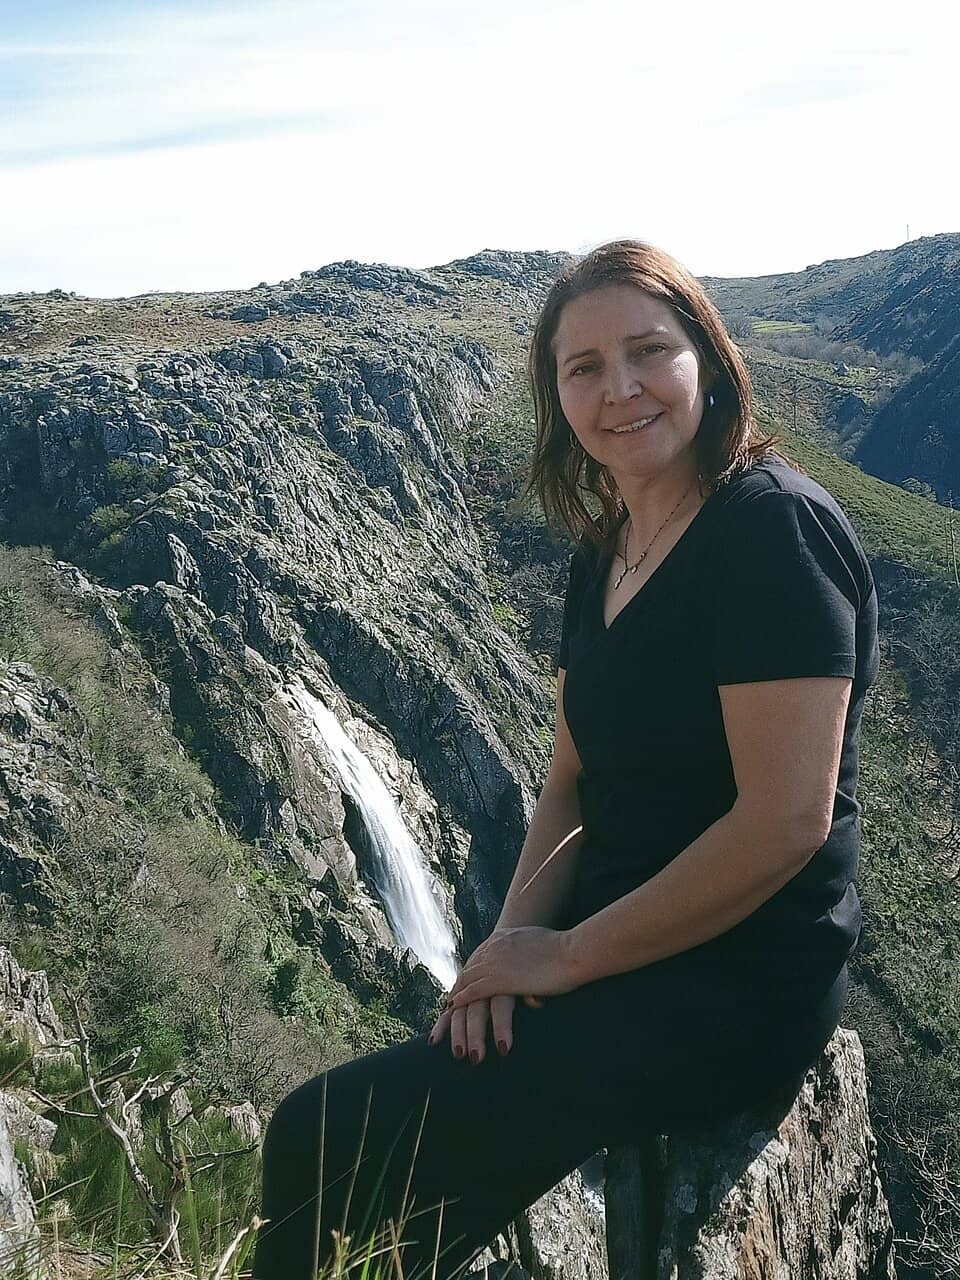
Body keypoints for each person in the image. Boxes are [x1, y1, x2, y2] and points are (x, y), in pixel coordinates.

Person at [253, 241, 879, 1280]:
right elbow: (571, 784)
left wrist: (570, 957)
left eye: (648, 350)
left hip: (736, 976)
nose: (618, 388)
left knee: (325, 1132)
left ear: (710, 363)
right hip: (609, 944)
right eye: (583, 366)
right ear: (556, 394)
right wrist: (509, 948)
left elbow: (784, 822)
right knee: (359, 1162)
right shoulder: (607, 548)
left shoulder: (774, 531)